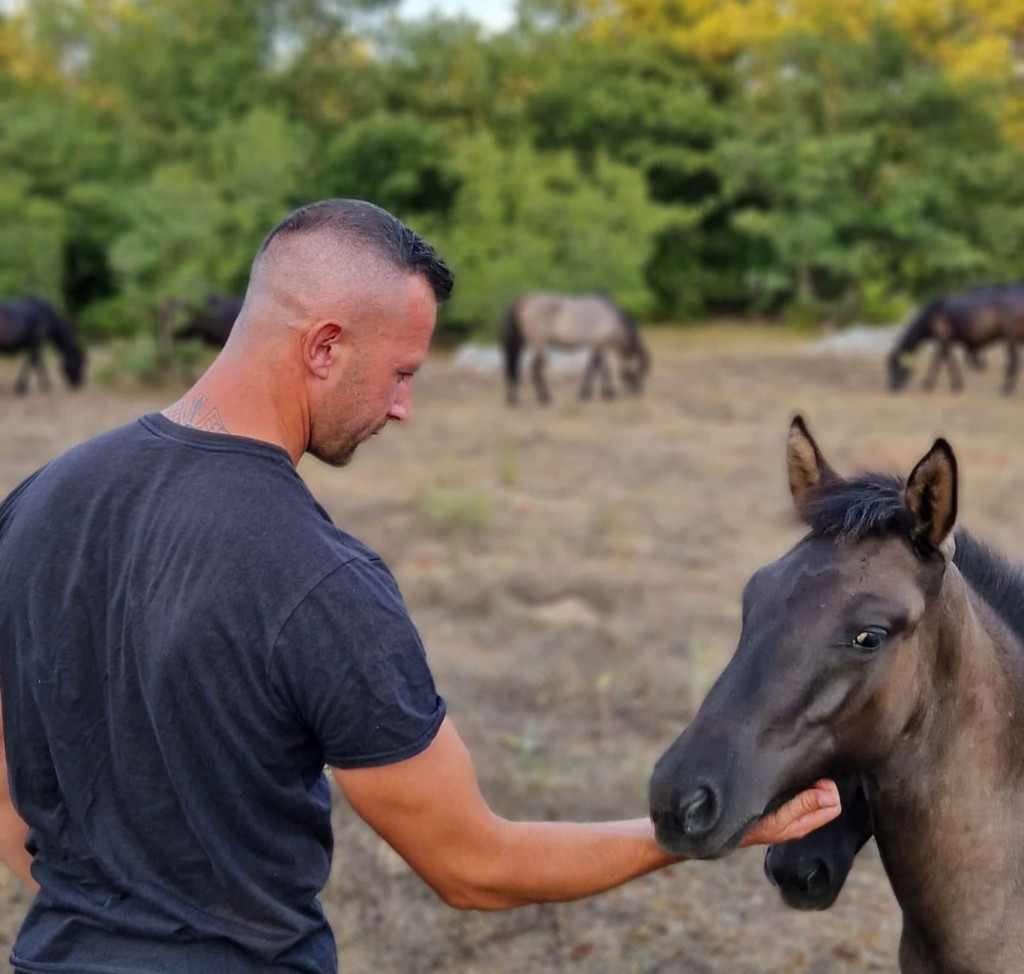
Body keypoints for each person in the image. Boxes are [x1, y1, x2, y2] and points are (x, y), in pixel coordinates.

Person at [0, 199, 841, 973]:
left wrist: (106, 925)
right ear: (324, 347)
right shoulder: (321, 582)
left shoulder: (38, 500)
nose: (403, 408)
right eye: (401, 373)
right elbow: (475, 867)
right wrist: (694, 834)